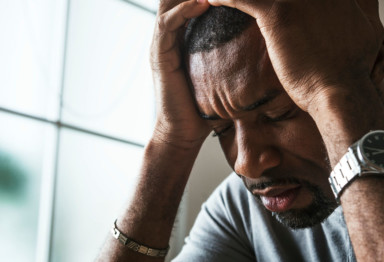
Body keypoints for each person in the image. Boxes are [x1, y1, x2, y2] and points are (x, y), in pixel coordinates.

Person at [97, 0, 384, 261]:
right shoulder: (241, 210)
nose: (245, 163)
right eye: (219, 129)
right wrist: (171, 141)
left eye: (277, 115)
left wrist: (337, 94)